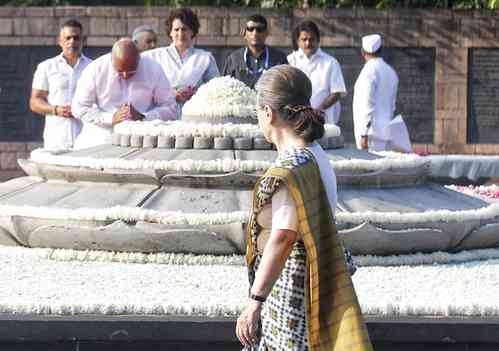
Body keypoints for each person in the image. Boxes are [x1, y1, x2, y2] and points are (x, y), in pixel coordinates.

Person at [236, 65, 372, 351]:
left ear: (268, 113)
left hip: (290, 288)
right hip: (308, 281)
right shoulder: (316, 154)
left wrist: (255, 301)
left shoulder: (293, 165)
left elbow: (284, 236)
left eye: (258, 111)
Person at [72, 38, 176, 149]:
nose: (125, 75)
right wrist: (111, 118)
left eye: (132, 70)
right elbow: (78, 108)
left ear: (139, 59)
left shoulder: (153, 68)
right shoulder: (95, 69)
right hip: (101, 139)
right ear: (112, 60)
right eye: (120, 71)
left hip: (142, 141)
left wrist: (144, 117)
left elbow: (170, 107)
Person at [143, 8, 219, 115]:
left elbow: (217, 89)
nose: (180, 33)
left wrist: (196, 93)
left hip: (195, 115)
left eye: (185, 29)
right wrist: (171, 94)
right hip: (163, 115)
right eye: (176, 29)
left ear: (192, 31)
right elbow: (144, 87)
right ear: (170, 32)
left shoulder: (205, 58)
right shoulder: (155, 56)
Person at [30, 19, 92, 150]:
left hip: (86, 139)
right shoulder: (46, 67)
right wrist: (56, 110)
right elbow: (35, 101)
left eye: (76, 38)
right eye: (68, 37)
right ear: (60, 41)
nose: (72, 42)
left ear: (82, 41)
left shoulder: (93, 67)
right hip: (57, 139)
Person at [287, 20, 346, 125]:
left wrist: (319, 110)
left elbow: (337, 92)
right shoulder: (290, 61)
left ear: (318, 40)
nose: (308, 43)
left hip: (324, 121)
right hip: (297, 121)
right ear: (297, 41)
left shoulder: (330, 62)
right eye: (304, 39)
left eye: (311, 39)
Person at [353, 34, 399, 151]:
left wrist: (364, 133)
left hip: (370, 135)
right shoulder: (391, 72)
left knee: (371, 168)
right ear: (381, 50)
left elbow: (367, 103)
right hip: (386, 132)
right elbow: (392, 106)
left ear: (363, 52)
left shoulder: (368, 71)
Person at [222, 14, 288, 89]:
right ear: (244, 33)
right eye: (250, 29)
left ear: (266, 33)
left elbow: (286, 87)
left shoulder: (279, 58)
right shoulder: (234, 59)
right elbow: (225, 86)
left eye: (259, 29)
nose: (255, 33)